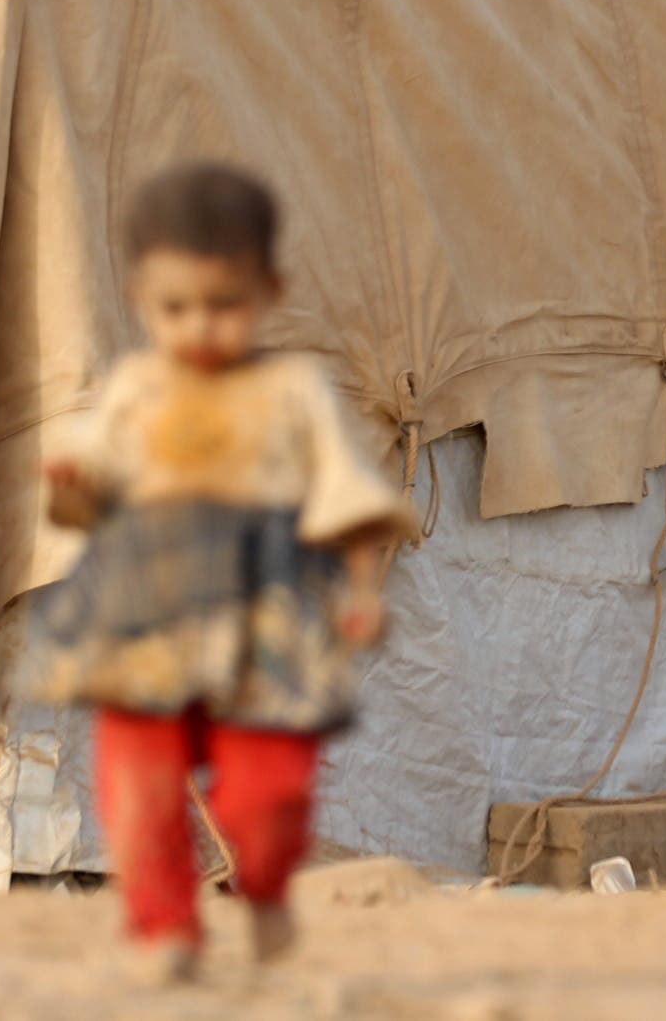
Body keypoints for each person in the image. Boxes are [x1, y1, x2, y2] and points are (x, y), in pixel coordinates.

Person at [23, 162, 413, 984]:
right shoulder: (133, 391)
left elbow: (349, 503)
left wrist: (363, 593)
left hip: (265, 633)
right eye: (175, 308)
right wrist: (71, 492)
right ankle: (166, 927)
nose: (200, 326)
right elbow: (83, 506)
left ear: (268, 291)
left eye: (224, 304)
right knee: (140, 785)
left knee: (267, 793)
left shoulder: (292, 393)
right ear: (141, 299)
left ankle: (265, 883)